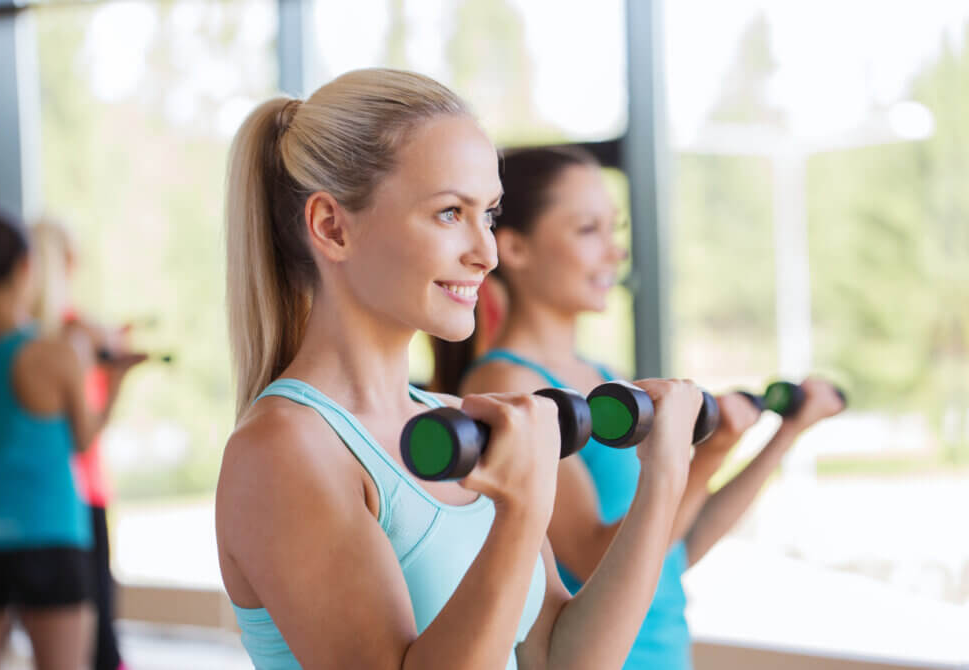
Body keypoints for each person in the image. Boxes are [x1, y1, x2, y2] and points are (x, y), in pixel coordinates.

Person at [215, 68, 703, 670]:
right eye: (450, 213)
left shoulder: (448, 417)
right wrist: (521, 512)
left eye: (490, 214)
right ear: (332, 227)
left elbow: (561, 657)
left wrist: (663, 481)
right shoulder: (283, 450)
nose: (487, 252)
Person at [449, 145, 847, 669]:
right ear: (516, 248)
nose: (615, 254)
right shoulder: (509, 384)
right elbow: (593, 560)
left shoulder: (606, 378)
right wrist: (697, 458)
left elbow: (672, 548)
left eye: (615, 231)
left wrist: (779, 436)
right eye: (588, 231)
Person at [0, 210, 142, 670]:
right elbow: (82, 441)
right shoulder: (54, 355)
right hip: (52, 538)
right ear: (24, 269)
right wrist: (114, 383)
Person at [30, 218, 130, 670]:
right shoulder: (71, 338)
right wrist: (116, 379)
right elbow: (83, 433)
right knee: (98, 637)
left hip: (41, 505)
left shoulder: (25, 342)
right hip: (78, 499)